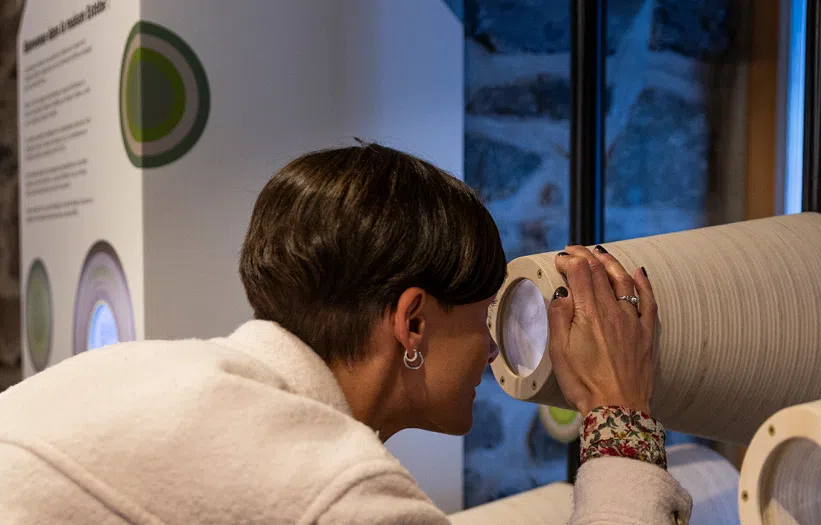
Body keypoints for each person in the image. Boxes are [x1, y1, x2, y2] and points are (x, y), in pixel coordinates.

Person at [0, 143, 692, 524]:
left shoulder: (157, 371)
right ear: (412, 320)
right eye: (484, 318)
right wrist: (619, 417)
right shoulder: (328, 485)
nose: (492, 348)